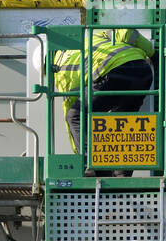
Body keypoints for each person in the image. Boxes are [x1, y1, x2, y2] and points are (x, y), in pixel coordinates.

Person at [53, 28, 155, 166]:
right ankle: (121, 174)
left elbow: (70, 112)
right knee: (123, 122)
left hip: (115, 73)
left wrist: (79, 156)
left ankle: (91, 165)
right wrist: (152, 52)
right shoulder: (92, 37)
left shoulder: (60, 70)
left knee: (75, 115)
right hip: (143, 70)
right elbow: (126, 32)